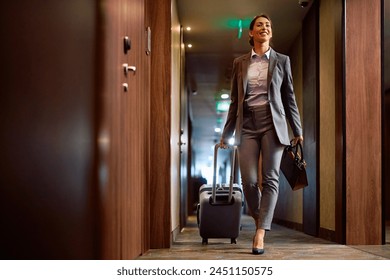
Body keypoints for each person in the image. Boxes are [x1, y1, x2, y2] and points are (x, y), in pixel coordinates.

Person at [219, 14, 303, 255]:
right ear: (251, 33)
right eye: (259, 25)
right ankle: (261, 220)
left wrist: (296, 129)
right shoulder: (240, 63)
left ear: (271, 33)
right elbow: (235, 101)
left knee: (271, 178)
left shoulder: (282, 60)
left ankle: (260, 233)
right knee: (250, 180)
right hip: (246, 125)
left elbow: (289, 98)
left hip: (272, 124)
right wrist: (226, 133)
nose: (264, 28)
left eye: (268, 25)